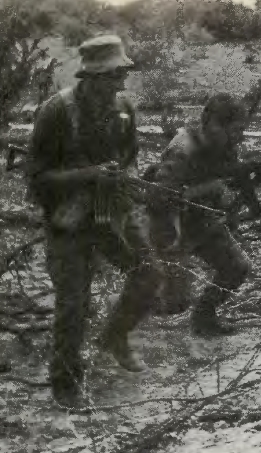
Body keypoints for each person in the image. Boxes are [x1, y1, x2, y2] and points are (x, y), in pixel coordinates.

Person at [25, 34, 162, 408]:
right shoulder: (57, 112)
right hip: (67, 219)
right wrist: (88, 175)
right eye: (115, 75)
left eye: (122, 75)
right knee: (74, 302)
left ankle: (115, 336)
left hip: (111, 211)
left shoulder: (124, 109)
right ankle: (66, 383)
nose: (122, 83)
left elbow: (129, 155)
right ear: (93, 77)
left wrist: (123, 177)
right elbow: (36, 178)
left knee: (148, 272)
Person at [147, 93, 259, 337]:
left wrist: (256, 181)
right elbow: (161, 197)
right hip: (169, 224)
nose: (240, 136)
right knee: (173, 303)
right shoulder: (182, 149)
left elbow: (229, 180)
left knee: (236, 267)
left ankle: (204, 319)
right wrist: (212, 189)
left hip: (201, 219)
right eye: (236, 129)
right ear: (213, 124)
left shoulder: (225, 147)